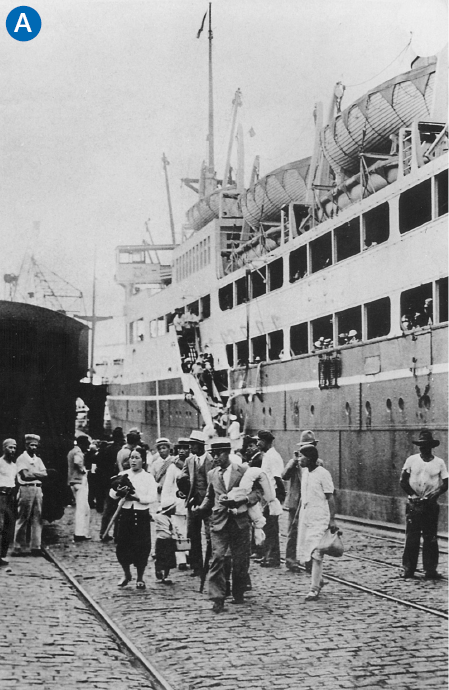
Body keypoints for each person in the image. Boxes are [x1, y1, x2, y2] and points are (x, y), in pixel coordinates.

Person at [196, 439, 259, 613]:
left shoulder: (243, 471)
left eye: (219, 454)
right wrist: (201, 509)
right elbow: (210, 496)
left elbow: (257, 492)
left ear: (227, 453)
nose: (215, 458)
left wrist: (244, 499)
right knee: (218, 558)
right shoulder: (212, 474)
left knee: (240, 560)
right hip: (218, 521)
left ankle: (239, 590)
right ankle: (218, 598)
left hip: (239, 522)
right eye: (213, 455)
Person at [400, 429, 448, 579]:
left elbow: (445, 483)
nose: (423, 448)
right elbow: (403, 480)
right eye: (421, 445)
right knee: (412, 537)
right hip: (414, 504)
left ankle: (430, 570)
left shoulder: (439, 463)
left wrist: (434, 495)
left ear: (431, 447)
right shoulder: (412, 460)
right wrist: (413, 495)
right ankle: (408, 569)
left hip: (430, 506)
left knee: (430, 537)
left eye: (426, 445)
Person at [110, 446, 158, 589]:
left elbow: (152, 497)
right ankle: (126, 574)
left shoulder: (148, 477)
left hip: (141, 515)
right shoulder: (123, 474)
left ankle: (140, 577)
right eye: (132, 457)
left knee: (141, 547)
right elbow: (111, 494)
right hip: (125, 514)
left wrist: (138, 498)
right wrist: (119, 493)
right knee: (122, 546)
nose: (133, 460)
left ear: (143, 461)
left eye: (137, 458)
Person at [296, 444, 337, 601]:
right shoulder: (305, 473)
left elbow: (330, 497)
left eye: (302, 456)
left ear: (309, 458)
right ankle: (318, 580)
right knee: (306, 550)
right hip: (307, 517)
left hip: (320, 517)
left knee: (316, 552)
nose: (299, 459)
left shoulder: (323, 474)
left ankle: (314, 588)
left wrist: (332, 519)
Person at [176, 430, 214, 576]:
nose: (190, 448)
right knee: (192, 534)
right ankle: (196, 565)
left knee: (211, 534)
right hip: (193, 503)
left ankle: (210, 564)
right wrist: (182, 490)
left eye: (192, 445)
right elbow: (183, 476)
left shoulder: (211, 460)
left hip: (209, 504)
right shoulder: (189, 461)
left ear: (200, 445)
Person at [11, 434, 47, 557]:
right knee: (23, 517)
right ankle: (17, 547)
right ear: (26, 445)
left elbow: (45, 474)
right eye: (31, 445)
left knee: (38, 518)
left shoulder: (38, 460)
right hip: (26, 488)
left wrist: (33, 473)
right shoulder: (21, 459)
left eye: (35, 445)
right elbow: (25, 476)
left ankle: (36, 546)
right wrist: (38, 474)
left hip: (38, 489)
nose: (34, 448)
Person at [257, 430, 285, 567]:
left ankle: (273, 558)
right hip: (268, 495)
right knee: (267, 527)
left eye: (259, 441)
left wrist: (278, 498)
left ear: (266, 442)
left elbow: (277, 478)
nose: (257, 443)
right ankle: (267, 555)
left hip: (272, 495)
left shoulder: (272, 456)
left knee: (272, 528)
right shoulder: (268, 455)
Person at [161, 439, 189, 570]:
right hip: (177, 504)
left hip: (190, 504)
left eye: (185, 448)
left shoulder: (193, 464)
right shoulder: (173, 467)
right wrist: (166, 502)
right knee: (179, 531)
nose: (182, 451)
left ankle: (189, 553)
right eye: (180, 448)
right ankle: (181, 559)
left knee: (189, 532)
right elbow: (167, 486)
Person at [67, 435, 92, 543]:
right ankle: (79, 533)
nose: (88, 446)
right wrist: (83, 470)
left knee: (84, 508)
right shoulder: (78, 452)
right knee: (82, 508)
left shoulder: (71, 451)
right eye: (86, 444)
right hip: (79, 481)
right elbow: (78, 462)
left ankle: (82, 532)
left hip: (73, 481)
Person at [0, 439, 17, 566]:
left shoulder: (14, 465)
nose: (13, 450)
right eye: (10, 447)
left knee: (8, 526)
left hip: (11, 497)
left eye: (14, 448)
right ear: (4, 448)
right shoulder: (0, 463)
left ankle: (2, 555)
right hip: (1, 495)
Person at [153, 502, 177, 584]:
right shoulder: (159, 517)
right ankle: (159, 574)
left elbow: (174, 529)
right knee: (159, 557)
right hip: (161, 540)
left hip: (170, 540)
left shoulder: (172, 518)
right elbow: (154, 516)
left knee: (169, 559)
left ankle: (166, 576)